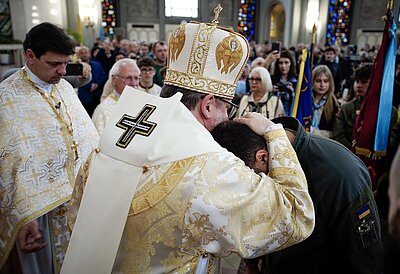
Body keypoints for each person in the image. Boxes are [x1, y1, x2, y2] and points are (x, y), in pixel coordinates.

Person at [62, 14, 315, 274]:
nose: (228, 117)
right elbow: (296, 215)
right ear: (207, 105)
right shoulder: (211, 167)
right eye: (227, 108)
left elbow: (77, 218)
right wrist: (274, 133)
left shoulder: (117, 134)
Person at [212, 116, 383, 274]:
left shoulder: (341, 175)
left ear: (263, 158)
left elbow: (365, 258)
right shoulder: (257, 143)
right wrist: (251, 261)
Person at [0, 22, 99, 273]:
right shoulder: (6, 99)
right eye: (54, 64)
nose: (63, 71)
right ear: (30, 56)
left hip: (78, 203)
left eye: (66, 63)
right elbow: (8, 164)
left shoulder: (64, 87)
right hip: (39, 213)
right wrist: (24, 217)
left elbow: (86, 139)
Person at [92, 58, 140, 136]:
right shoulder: (103, 111)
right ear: (114, 79)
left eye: (136, 78)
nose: (134, 83)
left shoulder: (144, 103)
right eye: (128, 78)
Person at [77, 46, 107, 117]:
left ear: (89, 53)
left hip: (97, 95)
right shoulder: (77, 66)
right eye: (82, 53)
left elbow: (103, 75)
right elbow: (77, 80)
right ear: (79, 55)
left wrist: (97, 84)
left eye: (86, 52)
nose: (84, 54)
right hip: (84, 96)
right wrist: (89, 86)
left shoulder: (97, 64)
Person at [311, 64, 339, 138]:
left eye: (325, 81)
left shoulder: (334, 104)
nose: (322, 85)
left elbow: (335, 133)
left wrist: (313, 132)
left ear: (330, 83)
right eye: (318, 81)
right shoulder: (306, 101)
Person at [271, 50, 297, 116]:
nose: (283, 66)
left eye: (286, 62)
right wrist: (271, 92)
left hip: (290, 115)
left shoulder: (296, 82)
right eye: (280, 63)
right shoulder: (272, 80)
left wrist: (293, 94)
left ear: (291, 63)